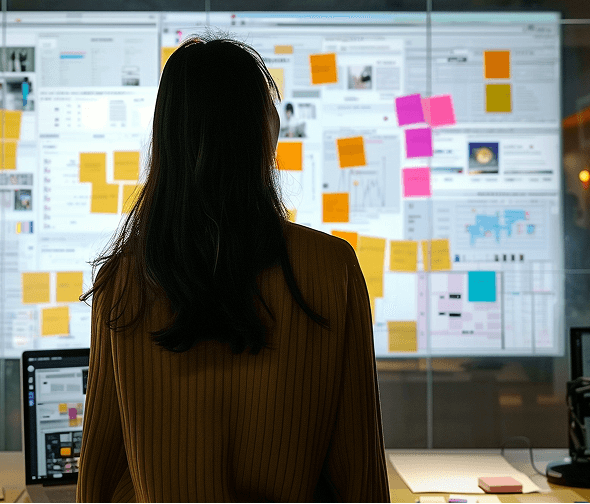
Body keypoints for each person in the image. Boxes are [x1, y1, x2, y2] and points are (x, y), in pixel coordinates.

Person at [77, 33, 388, 503]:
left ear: (166, 140)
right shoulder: (332, 268)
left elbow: (100, 477)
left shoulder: (122, 281)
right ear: (263, 134)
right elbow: (359, 475)